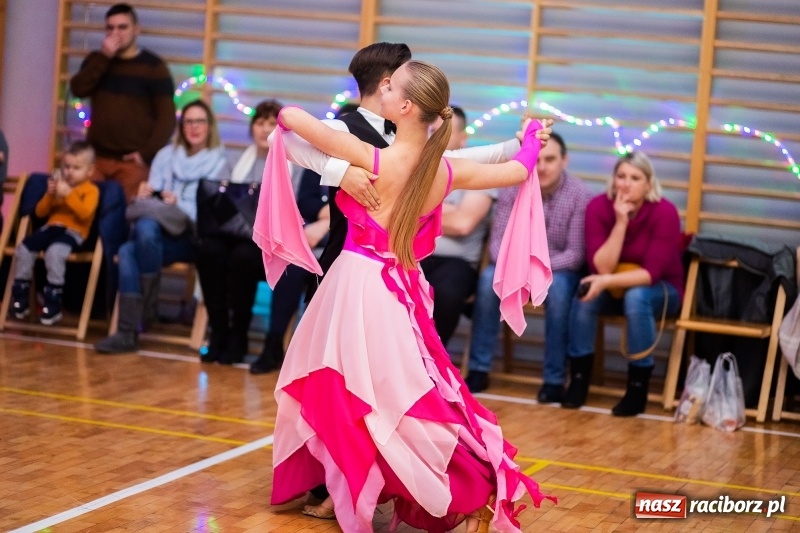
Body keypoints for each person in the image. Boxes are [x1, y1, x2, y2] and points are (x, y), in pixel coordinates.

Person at [260, 60, 555, 533]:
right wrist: (530, 137)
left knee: (350, 390)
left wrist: (339, 168)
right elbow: (520, 171)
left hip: (355, 286)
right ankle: (434, 484)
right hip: (398, 288)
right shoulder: (443, 171)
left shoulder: (372, 157)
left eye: (391, 87)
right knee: (398, 396)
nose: (383, 91)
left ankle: (382, 484)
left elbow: (290, 120)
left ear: (405, 106)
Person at [95, 99, 227, 354]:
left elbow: (212, 216)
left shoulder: (219, 162)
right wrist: (147, 193)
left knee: (136, 240)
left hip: (191, 236)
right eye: (188, 121)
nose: (194, 127)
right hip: (156, 232)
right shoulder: (166, 155)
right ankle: (131, 327)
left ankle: (132, 325)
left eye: (200, 121)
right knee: (133, 243)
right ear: (181, 126)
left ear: (209, 126)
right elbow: (152, 202)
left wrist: (179, 204)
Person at [465, 132, 591, 398]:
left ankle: (554, 379)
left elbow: (575, 254)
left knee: (558, 293)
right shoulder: (512, 185)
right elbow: (497, 243)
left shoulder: (580, 195)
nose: (542, 166)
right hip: (514, 265)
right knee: (488, 282)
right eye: (538, 159)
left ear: (564, 161)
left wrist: (536, 270)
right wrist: (519, 269)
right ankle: (478, 369)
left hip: (557, 270)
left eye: (551, 159)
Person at [564, 151, 684, 416]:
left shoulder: (665, 212)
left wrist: (605, 280)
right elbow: (601, 267)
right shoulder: (598, 207)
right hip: (612, 286)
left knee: (637, 296)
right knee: (586, 294)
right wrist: (620, 223)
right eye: (621, 176)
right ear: (613, 180)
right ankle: (579, 380)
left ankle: (637, 386)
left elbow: (650, 273)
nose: (626, 183)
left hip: (662, 290)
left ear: (648, 184)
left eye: (635, 177)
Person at [195, 99, 285, 365]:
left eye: (271, 123)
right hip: (231, 235)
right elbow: (217, 200)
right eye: (259, 122)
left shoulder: (294, 165)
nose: (264, 128)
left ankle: (239, 335)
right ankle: (219, 331)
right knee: (208, 251)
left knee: (243, 257)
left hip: (267, 243)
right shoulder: (234, 160)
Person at [69, 3, 176, 202]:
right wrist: (104, 57)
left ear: (137, 29)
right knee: (85, 211)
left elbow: (167, 119)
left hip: (132, 163)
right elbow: (78, 89)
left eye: (122, 27)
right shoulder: (97, 60)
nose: (115, 33)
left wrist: (145, 154)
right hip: (95, 159)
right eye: (110, 28)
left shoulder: (154, 67)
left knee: (126, 218)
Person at [421, 106, 496, 347]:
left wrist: (419, 211)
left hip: (457, 263)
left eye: (444, 131)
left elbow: (464, 224)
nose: (435, 136)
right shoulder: (414, 169)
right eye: (431, 130)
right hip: (413, 254)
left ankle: (432, 362)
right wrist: (448, 210)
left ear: (463, 137)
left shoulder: (480, 172)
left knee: (445, 293)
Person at [11, 141, 100, 325]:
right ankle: (21, 295)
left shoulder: (90, 190)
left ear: (89, 171)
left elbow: (85, 214)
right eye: (66, 166)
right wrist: (50, 195)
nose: (69, 172)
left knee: (55, 253)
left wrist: (69, 194)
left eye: (76, 168)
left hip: (73, 232)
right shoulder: (58, 187)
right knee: (25, 247)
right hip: (51, 228)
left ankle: (53, 302)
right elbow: (40, 213)